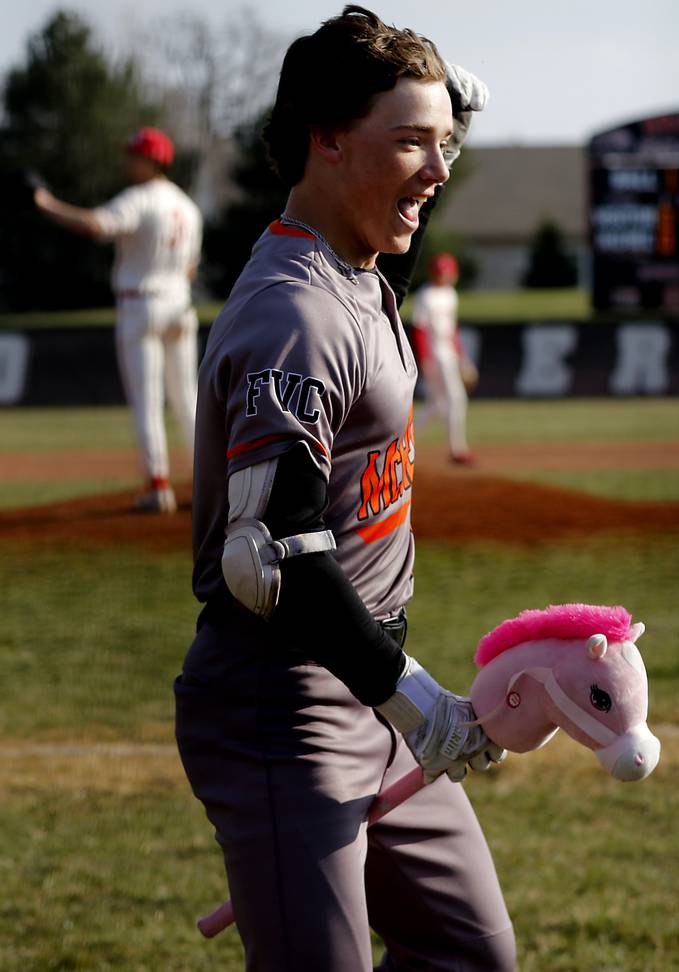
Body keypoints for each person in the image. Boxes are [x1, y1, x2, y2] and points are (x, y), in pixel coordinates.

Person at [173, 7, 515, 971]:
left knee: (470, 954)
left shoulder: (356, 256)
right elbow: (269, 562)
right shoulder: (296, 313)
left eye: (443, 144)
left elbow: (407, 176)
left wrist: (435, 125)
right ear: (325, 141)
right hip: (284, 704)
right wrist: (416, 702)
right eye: (412, 143)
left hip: (362, 687)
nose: (438, 171)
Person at [34, 127, 203, 513]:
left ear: (151, 161)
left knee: (147, 399)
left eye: (133, 154)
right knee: (186, 398)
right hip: (180, 303)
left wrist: (44, 202)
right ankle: (205, 484)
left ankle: (158, 485)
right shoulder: (188, 207)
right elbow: (191, 268)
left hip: (141, 303)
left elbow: (96, 225)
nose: (126, 160)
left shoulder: (140, 199)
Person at [411, 251, 478, 464]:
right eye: (442, 272)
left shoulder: (450, 294)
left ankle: (401, 440)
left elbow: (453, 331)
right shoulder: (425, 295)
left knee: (437, 406)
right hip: (435, 354)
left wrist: (463, 358)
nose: (445, 276)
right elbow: (419, 330)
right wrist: (425, 359)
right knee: (457, 399)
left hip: (448, 352)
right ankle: (458, 450)